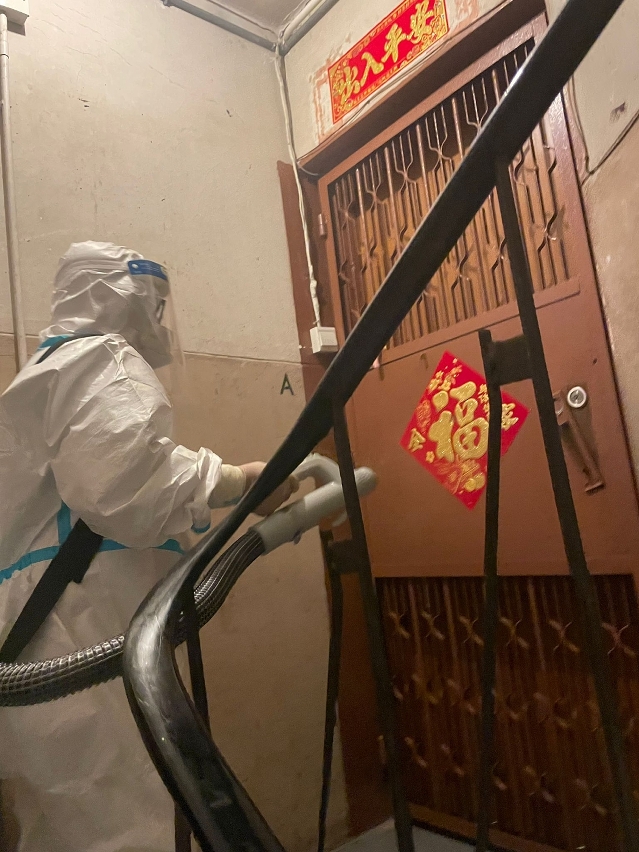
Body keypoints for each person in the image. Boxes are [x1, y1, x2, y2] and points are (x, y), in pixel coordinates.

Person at [0, 241, 296, 852]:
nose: (159, 319)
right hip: (78, 625)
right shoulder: (99, 357)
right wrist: (239, 480)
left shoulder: (46, 372)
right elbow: (124, 485)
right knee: (127, 821)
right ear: (117, 295)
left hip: (36, 634)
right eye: (152, 303)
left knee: (62, 824)